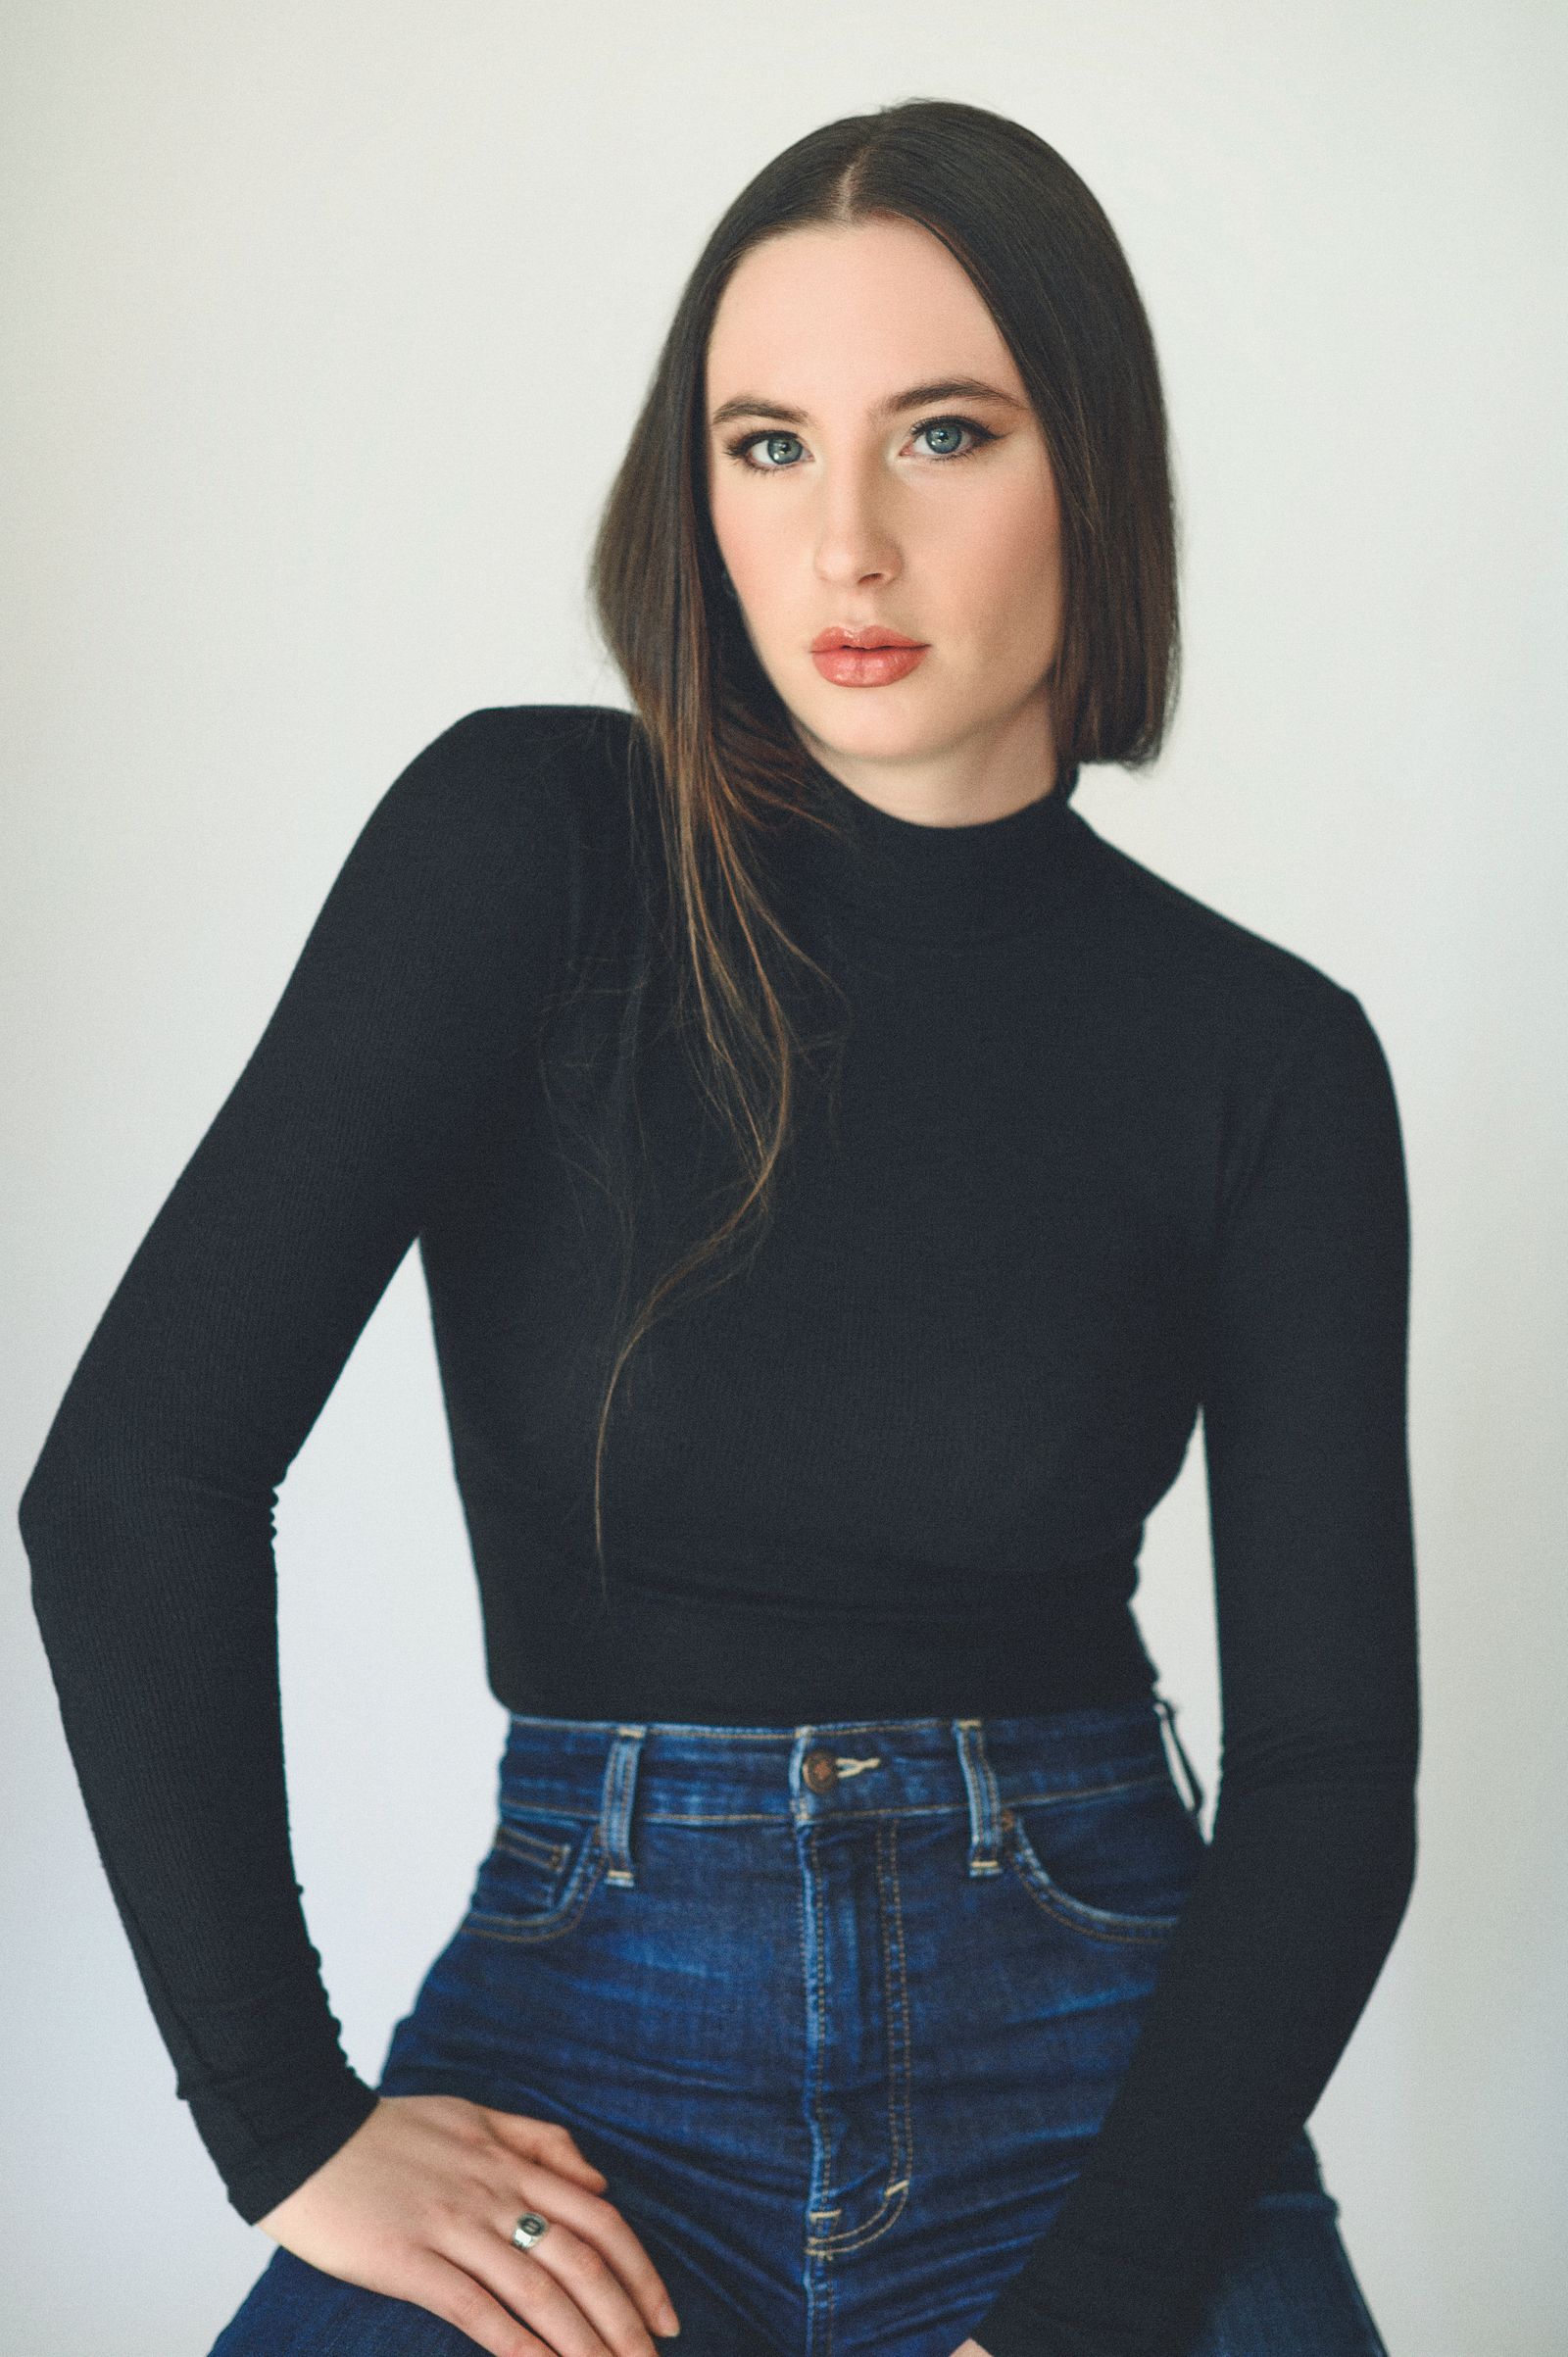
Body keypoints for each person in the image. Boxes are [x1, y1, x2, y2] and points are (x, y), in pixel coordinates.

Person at [17, 95, 1418, 2357]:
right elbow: (134, 1482)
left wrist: (1087, 2310)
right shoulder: (528, 849)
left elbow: (1331, 1781)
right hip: (584, 2073)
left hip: (1097, 2069)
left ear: (1090, 471)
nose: (842, 542)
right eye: (765, 447)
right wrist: (284, 2121)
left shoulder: (1264, 1054)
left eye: (940, 434)